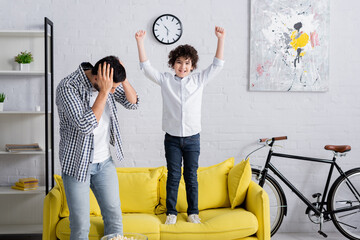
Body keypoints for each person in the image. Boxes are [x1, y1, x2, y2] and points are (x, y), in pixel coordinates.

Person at [135, 26, 225, 224]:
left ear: (192, 66)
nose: (182, 67)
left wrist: (220, 39)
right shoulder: (166, 81)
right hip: (172, 139)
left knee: (191, 176)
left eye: (187, 63)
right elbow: (146, 68)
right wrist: (140, 43)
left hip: (193, 138)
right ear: (172, 64)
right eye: (179, 62)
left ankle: (193, 212)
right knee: (173, 176)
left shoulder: (199, 80)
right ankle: (171, 213)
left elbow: (217, 65)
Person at [56, 56, 139, 239]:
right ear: (97, 78)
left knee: (114, 218)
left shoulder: (109, 83)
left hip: (104, 163)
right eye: (112, 88)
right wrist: (104, 91)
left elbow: (133, 103)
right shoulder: (68, 87)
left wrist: (122, 78)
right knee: (80, 225)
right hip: (77, 165)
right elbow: (85, 126)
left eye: (113, 88)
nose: (113, 92)